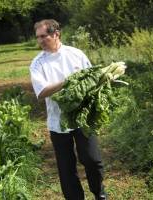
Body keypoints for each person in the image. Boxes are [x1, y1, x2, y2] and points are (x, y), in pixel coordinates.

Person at [30, 19, 107, 200]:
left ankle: (100, 194)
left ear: (56, 34)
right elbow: (41, 92)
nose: (40, 40)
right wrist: (68, 82)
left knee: (92, 160)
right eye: (38, 37)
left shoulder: (76, 54)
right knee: (66, 168)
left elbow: (94, 78)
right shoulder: (37, 63)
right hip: (58, 122)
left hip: (82, 117)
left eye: (44, 36)